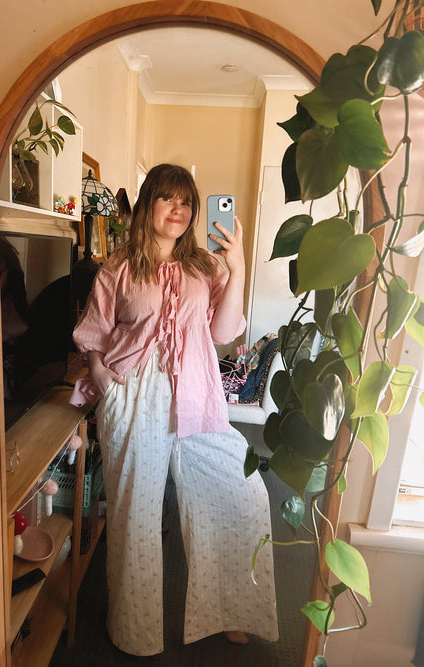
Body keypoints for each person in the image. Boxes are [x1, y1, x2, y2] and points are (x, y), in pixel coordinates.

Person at [70, 164, 278, 656]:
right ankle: (134, 631)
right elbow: (94, 332)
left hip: (197, 393)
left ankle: (232, 610)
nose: (178, 210)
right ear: (148, 204)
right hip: (133, 396)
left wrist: (237, 266)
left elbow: (223, 332)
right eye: (168, 198)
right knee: (135, 516)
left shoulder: (204, 266)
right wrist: (102, 377)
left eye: (186, 202)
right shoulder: (119, 267)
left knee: (241, 492)